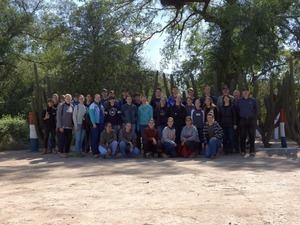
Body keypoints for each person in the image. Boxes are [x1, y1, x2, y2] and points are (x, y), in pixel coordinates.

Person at [236, 87, 258, 156]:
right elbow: (237, 110)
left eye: (246, 91)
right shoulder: (239, 101)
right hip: (242, 119)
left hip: (251, 119)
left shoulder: (253, 100)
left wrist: (254, 118)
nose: (245, 92)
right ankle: (243, 150)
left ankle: (252, 150)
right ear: (242, 93)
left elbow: (256, 110)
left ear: (249, 92)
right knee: (242, 135)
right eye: (244, 91)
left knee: (252, 135)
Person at [56, 94, 74, 158]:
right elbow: (58, 116)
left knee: (69, 139)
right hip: (62, 126)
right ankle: (61, 152)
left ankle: (67, 151)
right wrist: (60, 126)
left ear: (71, 99)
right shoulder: (61, 105)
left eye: (69, 98)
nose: (68, 100)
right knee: (61, 139)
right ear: (65, 99)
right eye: (67, 98)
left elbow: (72, 117)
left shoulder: (72, 106)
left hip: (69, 126)